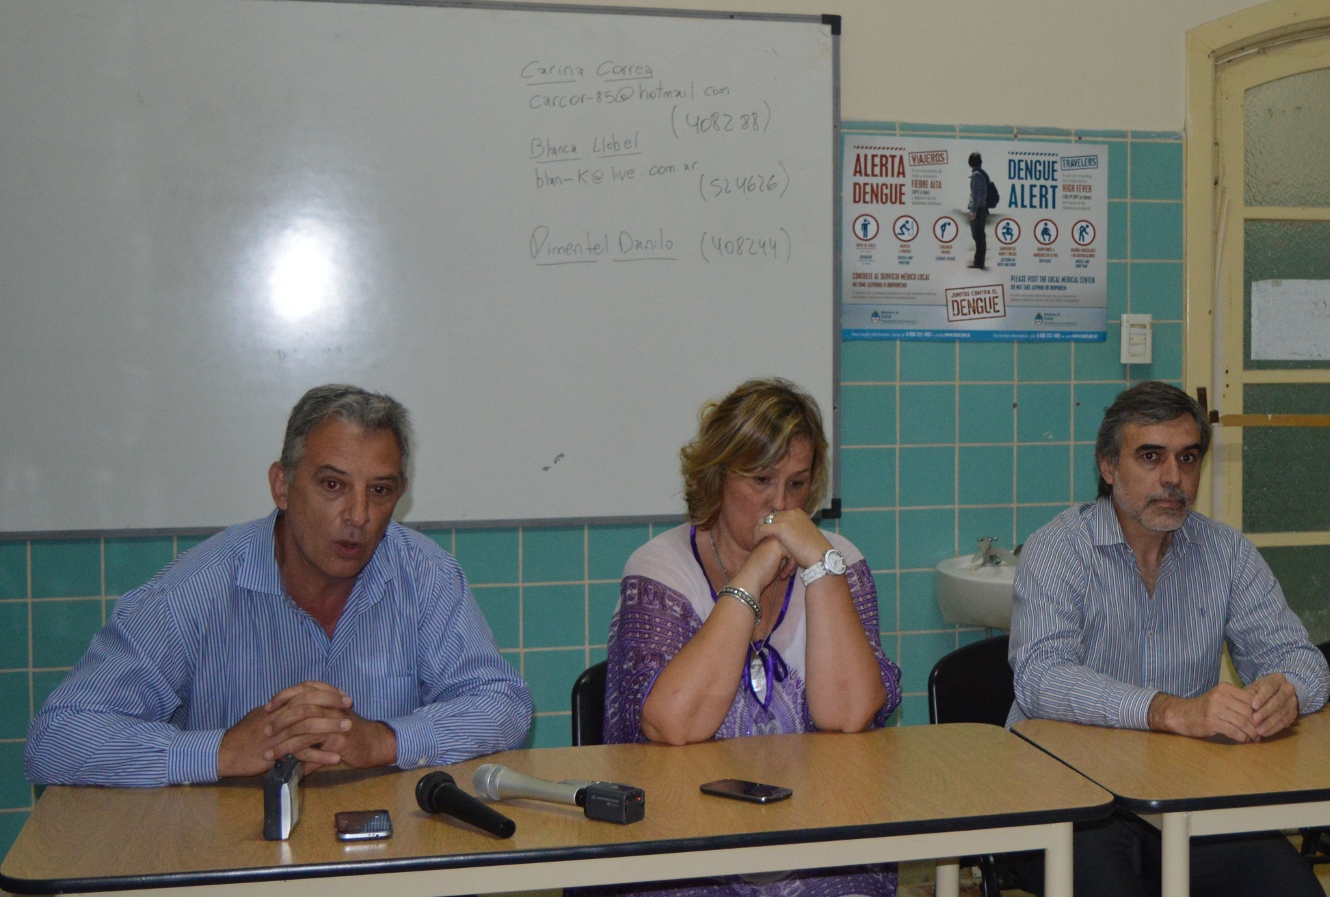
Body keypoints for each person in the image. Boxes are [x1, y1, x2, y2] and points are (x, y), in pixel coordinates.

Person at [24, 384, 532, 787]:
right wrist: (224, 751)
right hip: (232, 857)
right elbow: (56, 739)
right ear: (282, 486)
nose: (358, 515)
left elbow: (504, 704)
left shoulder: (425, 574)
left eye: (380, 490)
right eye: (332, 485)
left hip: (385, 852)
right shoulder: (194, 592)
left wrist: (384, 741)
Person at [1003, 380, 1330, 897]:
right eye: (1151, 457)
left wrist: (1286, 692)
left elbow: (1301, 659)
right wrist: (1168, 711)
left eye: (1188, 458)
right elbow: (1041, 679)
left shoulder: (1226, 553)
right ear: (1108, 467)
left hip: (1185, 794)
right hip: (1069, 796)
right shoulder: (1058, 549)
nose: (1173, 477)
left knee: (1295, 890)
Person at [600, 378, 900, 897]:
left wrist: (821, 567)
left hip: (817, 836)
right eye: (761, 480)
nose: (780, 504)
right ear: (717, 476)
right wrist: (751, 578)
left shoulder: (838, 562)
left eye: (797, 484)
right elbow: (671, 724)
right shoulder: (660, 571)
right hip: (684, 842)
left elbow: (850, 714)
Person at [966, 151, 991, 269]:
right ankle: (979, 261)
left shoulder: (976, 175)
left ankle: (979, 262)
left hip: (979, 209)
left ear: (970, 163)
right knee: (980, 236)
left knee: (978, 236)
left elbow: (977, 195)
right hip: (983, 209)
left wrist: (974, 211)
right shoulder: (983, 173)